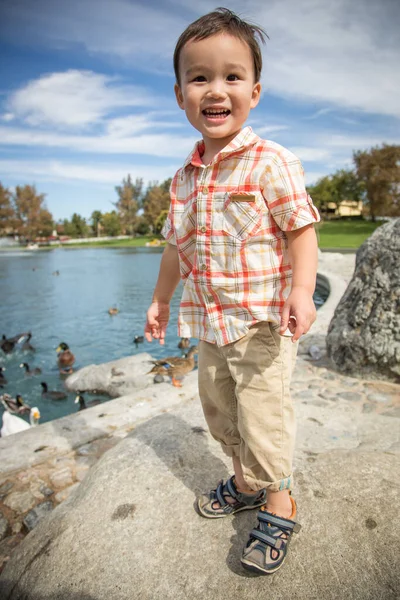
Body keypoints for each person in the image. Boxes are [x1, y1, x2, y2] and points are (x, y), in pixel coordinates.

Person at [144, 7, 320, 575]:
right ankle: (245, 481)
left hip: (263, 324)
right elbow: (175, 246)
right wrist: (161, 300)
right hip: (210, 326)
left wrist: (302, 289)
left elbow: (302, 229)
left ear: (256, 90)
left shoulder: (272, 161)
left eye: (231, 76)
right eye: (200, 77)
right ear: (179, 95)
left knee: (264, 417)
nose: (215, 90)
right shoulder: (183, 179)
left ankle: (278, 500)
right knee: (220, 413)